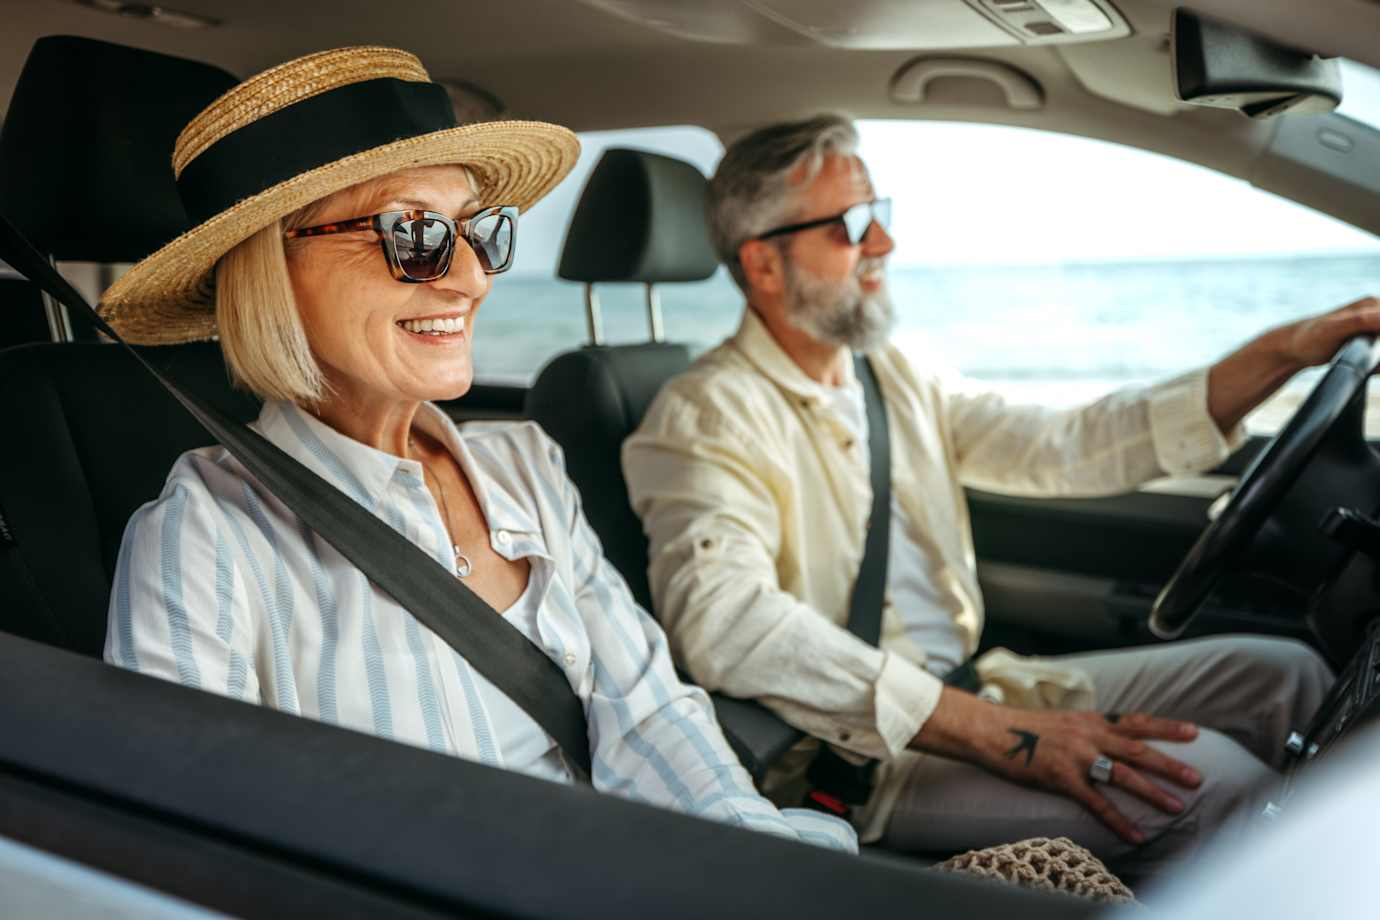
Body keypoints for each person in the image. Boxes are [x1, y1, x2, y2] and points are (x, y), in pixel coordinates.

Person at [102, 48, 854, 854]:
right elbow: (181, 852)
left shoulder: (525, 465)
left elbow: (651, 717)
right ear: (272, 270)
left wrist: (756, 867)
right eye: (413, 232)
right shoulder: (206, 537)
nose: (471, 279)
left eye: (475, 232)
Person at [622, 114, 1366, 880]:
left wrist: (1283, 352)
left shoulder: (890, 374)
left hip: (980, 686)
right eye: (852, 225)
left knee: (1292, 679)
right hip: (861, 758)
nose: (885, 243)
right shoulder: (706, 413)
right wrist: (999, 733)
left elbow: (1065, 444)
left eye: (880, 214)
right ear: (765, 265)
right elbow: (724, 619)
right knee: (1223, 792)